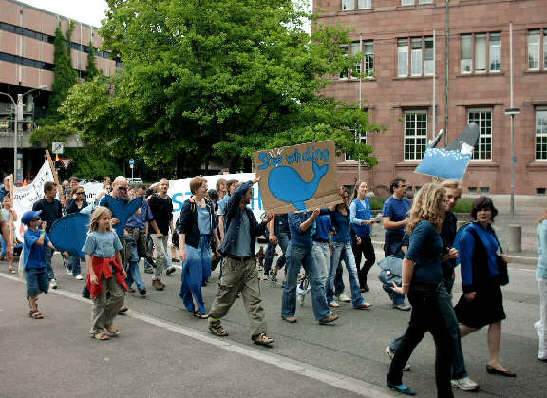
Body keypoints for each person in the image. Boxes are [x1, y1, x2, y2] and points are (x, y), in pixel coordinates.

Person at [387, 182, 454, 397]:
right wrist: (405, 288)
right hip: (424, 292)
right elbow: (409, 259)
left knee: (414, 335)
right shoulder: (424, 226)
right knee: (444, 341)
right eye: (443, 199)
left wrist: (446, 256)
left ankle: (393, 378)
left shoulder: (433, 225)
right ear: (433, 202)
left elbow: (428, 258)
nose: (447, 202)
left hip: (431, 288)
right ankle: (445, 394)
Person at [208, 178, 275, 346]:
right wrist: (253, 181)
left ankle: (259, 333)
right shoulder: (232, 210)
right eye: (250, 193)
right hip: (232, 263)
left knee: (254, 300)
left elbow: (254, 232)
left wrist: (265, 222)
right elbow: (237, 193)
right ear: (241, 194)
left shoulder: (249, 213)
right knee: (225, 298)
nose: (252, 196)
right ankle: (214, 321)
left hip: (249, 263)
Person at [454, 197, 515, 377]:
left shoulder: (490, 230)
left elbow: (491, 253)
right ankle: (447, 340)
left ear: (491, 212)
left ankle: (494, 362)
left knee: (496, 319)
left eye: (486, 209)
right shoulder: (470, 233)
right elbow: (466, 262)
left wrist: (500, 259)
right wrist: (468, 288)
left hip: (492, 282)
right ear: (475, 213)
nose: (483, 212)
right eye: (480, 209)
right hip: (478, 285)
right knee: (473, 324)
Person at [282, 208, 339, 324]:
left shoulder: (308, 207)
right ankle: (287, 313)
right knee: (291, 283)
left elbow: (328, 209)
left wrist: (336, 197)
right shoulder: (292, 211)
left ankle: (323, 315)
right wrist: (312, 217)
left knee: (317, 281)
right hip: (295, 250)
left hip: (308, 248)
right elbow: (301, 228)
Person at [83, 206, 128, 340]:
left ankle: (107, 321)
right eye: (104, 219)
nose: (108, 221)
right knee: (99, 300)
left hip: (112, 267)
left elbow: (117, 252)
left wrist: (122, 268)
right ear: (97, 220)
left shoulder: (112, 234)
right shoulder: (92, 236)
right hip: (98, 268)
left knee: (119, 296)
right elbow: (88, 255)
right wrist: (92, 274)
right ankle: (96, 329)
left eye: (109, 218)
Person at [178, 177, 217, 318]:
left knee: (205, 273)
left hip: (206, 243)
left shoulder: (208, 204)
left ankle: (183, 292)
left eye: (206, 186)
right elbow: (181, 228)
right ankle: (199, 306)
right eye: (203, 186)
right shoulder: (189, 204)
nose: (206, 188)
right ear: (195, 189)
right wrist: (182, 249)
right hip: (192, 244)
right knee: (195, 276)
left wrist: (217, 241)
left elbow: (214, 225)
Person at [326, 188, 371, 310]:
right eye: (343, 197)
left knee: (353, 271)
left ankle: (357, 300)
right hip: (336, 244)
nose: (346, 199)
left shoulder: (347, 209)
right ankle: (329, 298)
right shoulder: (333, 211)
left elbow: (349, 226)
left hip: (347, 243)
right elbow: (328, 227)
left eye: (347, 197)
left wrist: (356, 236)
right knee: (332, 272)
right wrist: (330, 245)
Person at [124, 184, 157, 296]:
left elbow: (148, 218)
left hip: (141, 232)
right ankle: (140, 285)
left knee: (137, 259)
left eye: (144, 194)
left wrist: (147, 232)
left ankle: (127, 284)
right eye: (140, 194)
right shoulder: (127, 201)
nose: (142, 196)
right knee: (134, 259)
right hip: (130, 231)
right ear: (134, 191)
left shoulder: (144, 202)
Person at [22, 210, 55, 319]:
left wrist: (62, 248)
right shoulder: (27, 234)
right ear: (31, 222)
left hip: (42, 264)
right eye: (37, 219)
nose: (40, 220)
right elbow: (40, 242)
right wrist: (44, 231)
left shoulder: (41, 232)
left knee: (44, 287)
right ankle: (33, 309)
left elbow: (49, 243)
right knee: (33, 288)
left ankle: (31, 296)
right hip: (31, 266)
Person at [32, 181, 63, 289]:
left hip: (54, 234)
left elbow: (60, 218)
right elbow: (33, 219)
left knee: (47, 257)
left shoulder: (58, 203)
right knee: (46, 256)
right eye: (54, 190)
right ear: (47, 192)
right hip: (43, 233)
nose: (56, 192)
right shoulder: (38, 204)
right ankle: (51, 278)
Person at [148, 178, 175, 290]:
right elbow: (151, 216)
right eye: (162, 185)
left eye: (166, 185)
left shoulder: (169, 200)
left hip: (165, 231)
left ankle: (157, 278)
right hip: (155, 231)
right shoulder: (154, 199)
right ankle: (156, 279)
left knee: (161, 256)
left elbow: (170, 216)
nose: (164, 186)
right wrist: (157, 231)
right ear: (159, 186)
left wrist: (173, 229)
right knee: (161, 255)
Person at [350, 180, 377, 292]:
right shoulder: (354, 203)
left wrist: (371, 220)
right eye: (363, 187)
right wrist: (364, 221)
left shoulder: (367, 202)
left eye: (366, 187)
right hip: (357, 237)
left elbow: (368, 215)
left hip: (366, 235)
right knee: (357, 261)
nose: (365, 189)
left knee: (371, 258)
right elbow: (351, 220)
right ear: (357, 189)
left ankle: (362, 276)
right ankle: (359, 286)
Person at [383, 178, 411, 257]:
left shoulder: (407, 202)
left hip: (406, 239)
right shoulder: (389, 203)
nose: (405, 188)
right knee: (394, 267)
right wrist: (404, 222)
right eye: (402, 186)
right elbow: (386, 224)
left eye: (405, 186)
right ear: (394, 188)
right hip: (393, 241)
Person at [65, 185, 88, 279]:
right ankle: (77, 272)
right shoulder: (70, 202)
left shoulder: (85, 203)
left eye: (83, 193)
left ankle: (69, 264)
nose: (81, 195)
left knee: (78, 249)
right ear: (74, 194)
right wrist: (73, 200)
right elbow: (68, 211)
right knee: (76, 249)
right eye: (79, 193)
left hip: (82, 228)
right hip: (72, 228)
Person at [264, 214, 290, 282]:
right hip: (276, 229)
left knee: (288, 253)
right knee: (270, 251)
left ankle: (277, 269)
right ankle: (266, 272)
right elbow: (271, 219)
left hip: (286, 229)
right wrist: (271, 234)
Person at [535, 209, 547, 362]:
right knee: (545, 313)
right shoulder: (544, 226)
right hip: (545, 274)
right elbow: (545, 254)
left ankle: (539, 326)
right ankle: (543, 351)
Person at [1, 195, 17, 272]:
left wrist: (13, 212)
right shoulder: (2, 211)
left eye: (8, 201)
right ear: (3, 203)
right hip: (3, 233)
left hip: (12, 232)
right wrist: (7, 224)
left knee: (11, 249)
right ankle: (1, 256)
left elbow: (15, 219)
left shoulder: (11, 210)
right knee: (5, 250)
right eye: (5, 201)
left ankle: (10, 266)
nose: (7, 202)